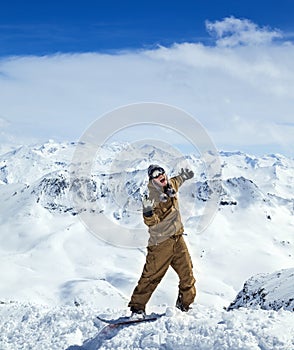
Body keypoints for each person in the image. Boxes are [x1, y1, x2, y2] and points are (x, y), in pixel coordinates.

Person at [128, 164, 196, 317]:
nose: (160, 176)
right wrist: (148, 213)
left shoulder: (171, 184)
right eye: (155, 175)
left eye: (162, 172)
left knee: (188, 275)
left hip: (178, 240)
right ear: (152, 180)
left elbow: (178, 180)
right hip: (161, 244)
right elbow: (152, 222)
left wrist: (185, 175)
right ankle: (137, 309)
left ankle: (184, 307)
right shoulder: (152, 197)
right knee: (151, 277)